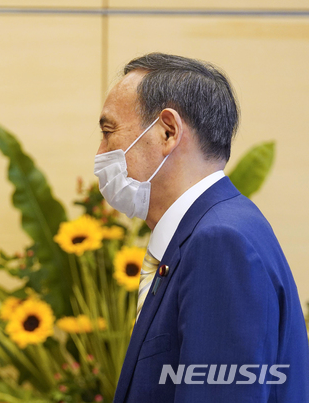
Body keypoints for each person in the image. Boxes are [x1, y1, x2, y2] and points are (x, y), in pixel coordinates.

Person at [93, 53, 309, 401]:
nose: (101, 151)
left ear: (167, 131)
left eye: (108, 132)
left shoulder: (221, 243)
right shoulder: (213, 230)